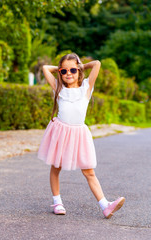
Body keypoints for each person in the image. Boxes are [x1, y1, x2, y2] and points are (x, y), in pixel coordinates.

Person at [38, 53, 125, 219]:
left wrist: (80, 66)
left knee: (89, 172)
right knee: (56, 167)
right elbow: (45, 68)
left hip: (79, 134)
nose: (68, 73)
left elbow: (97, 63)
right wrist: (62, 69)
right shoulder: (59, 88)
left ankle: (105, 205)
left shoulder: (86, 87)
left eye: (72, 70)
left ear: (79, 70)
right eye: (64, 71)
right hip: (61, 133)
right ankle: (57, 202)